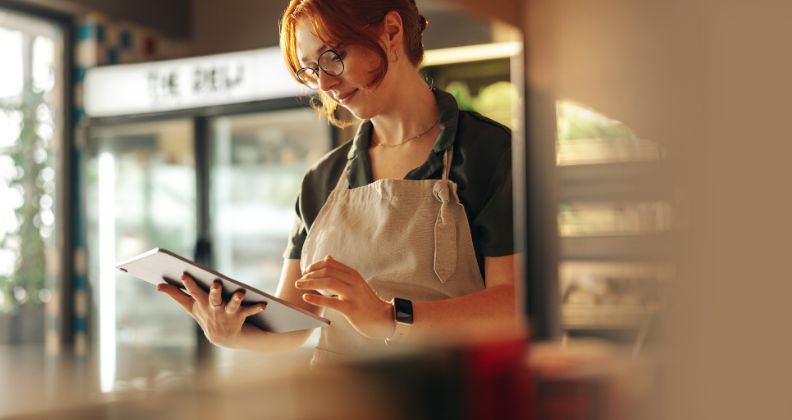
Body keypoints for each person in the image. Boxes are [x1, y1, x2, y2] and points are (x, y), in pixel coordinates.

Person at [157, 0, 518, 366]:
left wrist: (390, 319)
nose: (326, 84)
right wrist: (234, 333)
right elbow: (296, 323)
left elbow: (513, 303)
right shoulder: (322, 180)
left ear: (392, 31)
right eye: (311, 70)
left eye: (333, 56)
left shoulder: (490, 153)